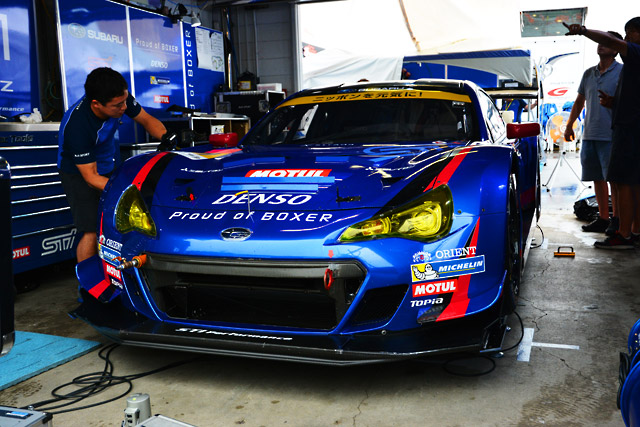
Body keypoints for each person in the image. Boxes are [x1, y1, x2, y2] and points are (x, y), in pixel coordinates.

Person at [57, 67, 176, 262]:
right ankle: (88, 280)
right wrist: (126, 190)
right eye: (118, 105)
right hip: (79, 174)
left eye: (125, 101)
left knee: (119, 224)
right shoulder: (77, 127)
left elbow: (146, 120)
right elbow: (91, 177)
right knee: (91, 230)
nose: (124, 108)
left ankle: (118, 270)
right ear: (96, 104)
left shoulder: (120, 98)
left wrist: (166, 136)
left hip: (107, 164)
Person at [564, 18, 640, 249]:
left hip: (624, 130)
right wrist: (614, 103)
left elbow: (611, 40)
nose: (626, 38)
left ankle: (622, 232)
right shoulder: (592, 73)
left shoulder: (631, 59)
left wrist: (583, 30)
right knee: (622, 181)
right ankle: (629, 229)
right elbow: (581, 101)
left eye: (629, 33)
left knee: (621, 182)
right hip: (611, 129)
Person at [564, 32, 623, 234]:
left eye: (606, 42)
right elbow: (579, 102)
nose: (601, 45)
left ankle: (617, 220)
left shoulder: (623, 72)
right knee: (597, 178)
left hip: (612, 134)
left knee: (615, 180)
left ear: (616, 50)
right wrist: (569, 125)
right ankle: (604, 218)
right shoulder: (589, 73)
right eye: (600, 42)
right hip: (590, 134)